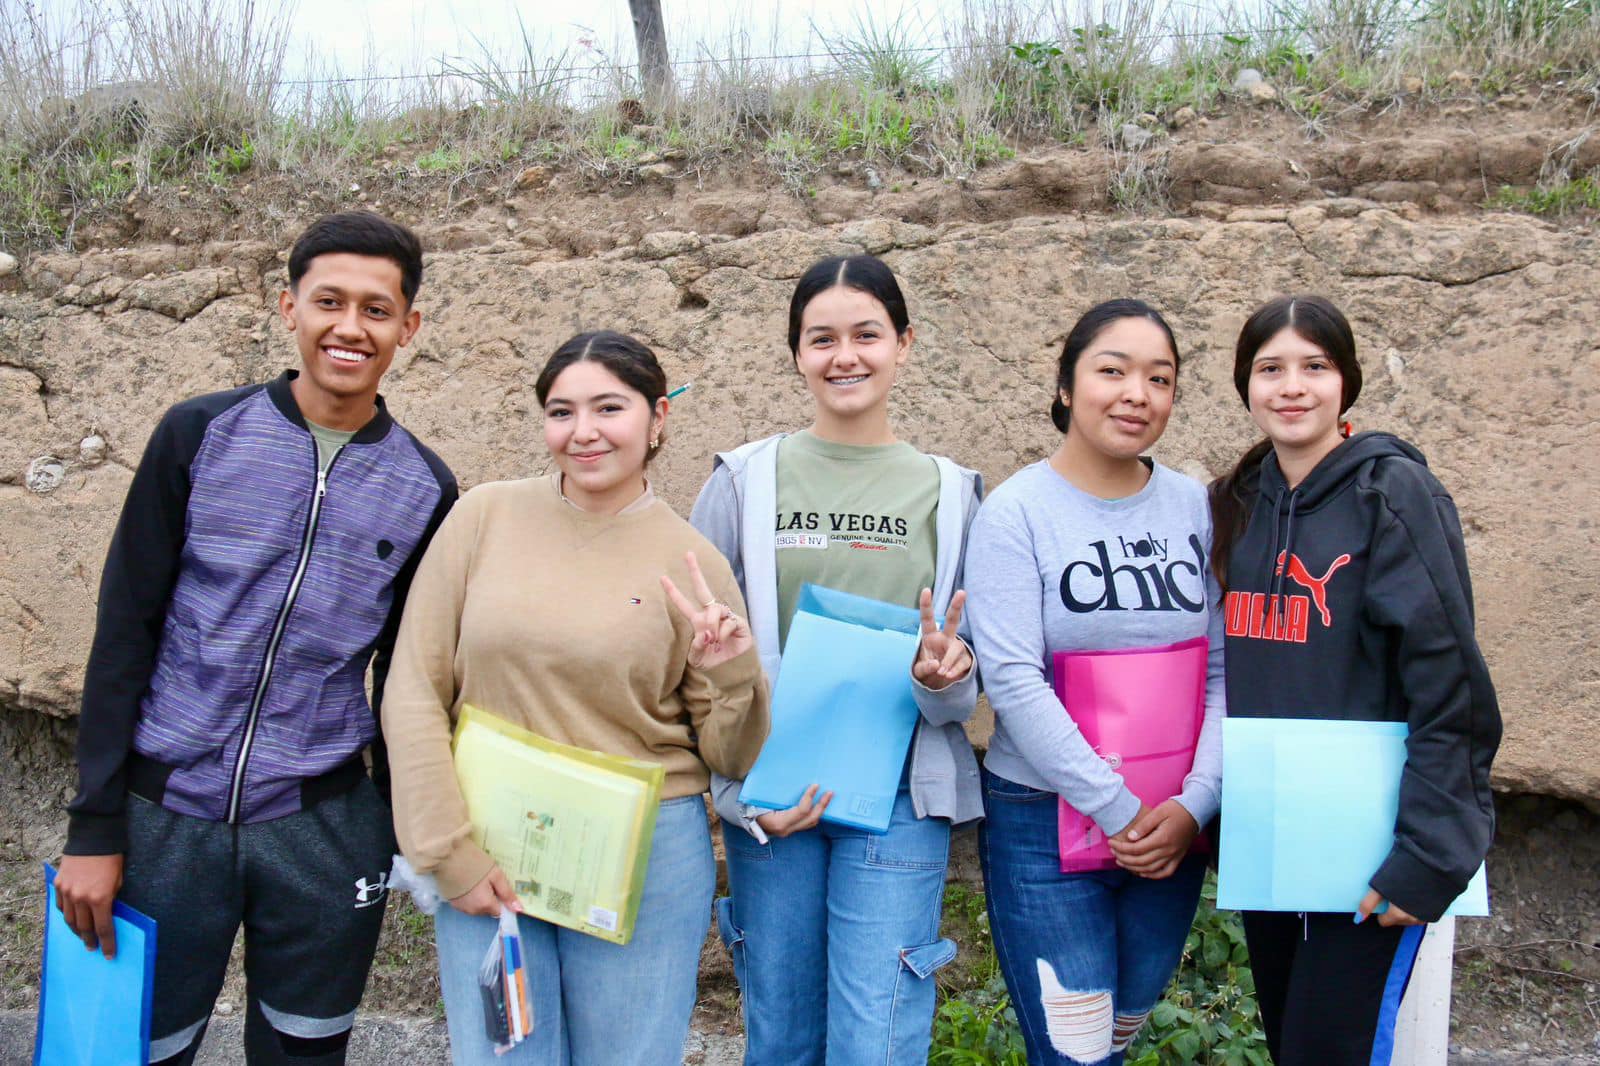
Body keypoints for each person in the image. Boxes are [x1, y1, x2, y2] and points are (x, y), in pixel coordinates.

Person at [53, 211, 457, 1064]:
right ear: (289, 309)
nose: (350, 328)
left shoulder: (425, 487)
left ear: (408, 327)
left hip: (322, 825)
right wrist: (95, 826)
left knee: (303, 1053)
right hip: (164, 818)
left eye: (377, 310)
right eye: (329, 302)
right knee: (135, 1050)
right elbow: (125, 630)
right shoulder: (198, 434)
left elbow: (403, 678)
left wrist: (389, 820)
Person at [381, 330, 770, 1065]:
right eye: (561, 412)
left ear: (658, 418)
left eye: (608, 408)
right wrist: (446, 852)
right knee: (504, 1056)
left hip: (641, 857)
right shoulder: (482, 519)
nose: (583, 432)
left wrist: (730, 673)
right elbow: (413, 689)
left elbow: (730, 753)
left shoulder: (693, 561)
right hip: (488, 847)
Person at [689, 253, 983, 1066]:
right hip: (772, 800)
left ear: (905, 343)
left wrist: (942, 678)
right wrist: (737, 799)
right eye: (822, 338)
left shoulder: (953, 494)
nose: (844, 355)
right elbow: (696, 661)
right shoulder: (742, 482)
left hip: (897, 799)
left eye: (867, 334)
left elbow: (966, 678)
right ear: (796, 353)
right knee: (780, 1038)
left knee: (879, 1043)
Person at [1208, 294, 1501, 1066]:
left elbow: (1451, 686)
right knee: (1289, 1045)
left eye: (1315, 366)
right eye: (1271, 368)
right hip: (1274, 839)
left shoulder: (1393, 493)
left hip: (1373, 852)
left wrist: (1429, 856)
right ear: (1245, 383)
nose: (1292, 386)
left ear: (1348, 382)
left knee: (1328, 1051)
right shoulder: (1238, 502)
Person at [964, 299, 1224, 1065]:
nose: (1136, 393)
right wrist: (1114, 808)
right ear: (1067, 386)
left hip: (1172, 826)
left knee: (1125, 1027)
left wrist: (1194, 803)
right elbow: (1011, 680)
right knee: (1078, 1054)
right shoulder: (1017, 513)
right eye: (1112, 371)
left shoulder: (1196, 507)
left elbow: (1222, 668)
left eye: (1160, 378)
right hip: (1045, 821)